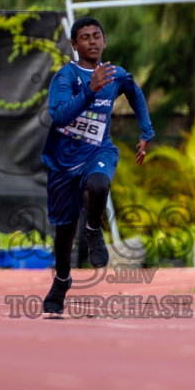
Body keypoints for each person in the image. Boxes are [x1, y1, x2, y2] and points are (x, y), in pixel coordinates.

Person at [40, 16, 153, 319]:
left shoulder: (117, 75)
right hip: (64, 162)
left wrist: (146, 132)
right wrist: (89, 90)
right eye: (85, 37)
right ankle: (62, 280)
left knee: (100, 184)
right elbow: (60, 116)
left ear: (104, 41)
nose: (92, 41)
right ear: (75, 44)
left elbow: (134, 92)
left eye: (97, 36)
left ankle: (93, 230)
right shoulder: (65, 77)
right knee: (63, 230)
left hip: (98, 151)